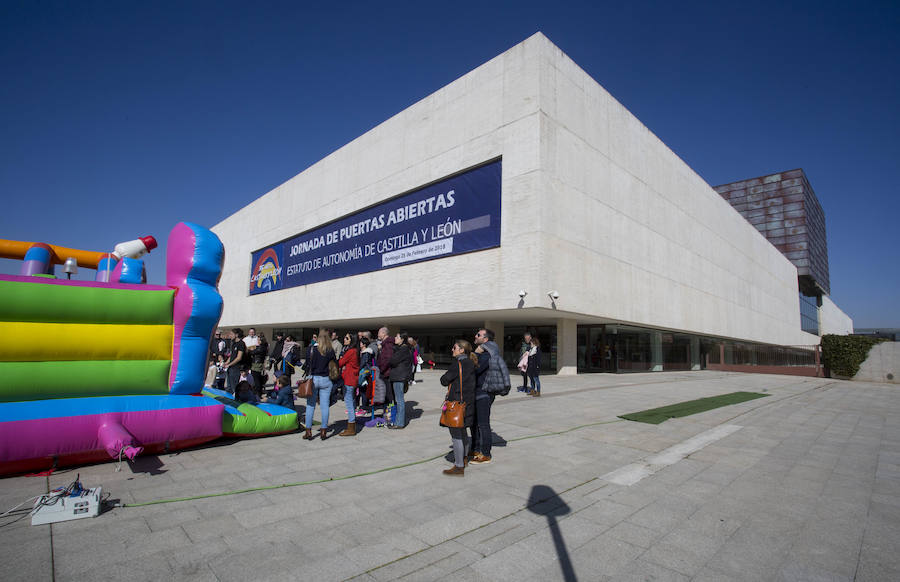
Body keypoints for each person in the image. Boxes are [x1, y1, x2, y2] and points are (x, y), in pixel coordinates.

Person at [470, 328, 511, 464]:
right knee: (474, 423)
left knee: (483, 424)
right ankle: (475, 449)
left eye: (478, 335)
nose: (475, 336)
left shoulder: (486, 355)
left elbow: (473, 369)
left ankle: (485, 453)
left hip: (484, 393)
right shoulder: (487, 353)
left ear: (485, 339)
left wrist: (475, 353)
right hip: (478, 392)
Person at [439, 339, 477, 476]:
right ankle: (464, 458)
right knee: (463, 433)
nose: (452, 350)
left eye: (454, 348)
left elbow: (444, 380)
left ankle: (459, 466)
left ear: (462, 350)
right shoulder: (471, 363)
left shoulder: (458, 364)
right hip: (468, 403)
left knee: (456, 436)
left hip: (456, 404)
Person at [302, 327, 336, 440]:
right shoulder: (330, 350)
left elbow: (307, 364)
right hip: (326, 379)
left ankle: (308, 431)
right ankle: (323, 431)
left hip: (313, 378)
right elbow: (334, 365)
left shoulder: (311, 349)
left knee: (310, 405)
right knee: (325, 406)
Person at [388, 330, 411, 429]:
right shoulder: (400, 348)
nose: (395, 339)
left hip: (399, 376)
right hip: (398, 376)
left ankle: (400, 422)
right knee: (398, 399)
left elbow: (393, 361)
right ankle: (398, 420)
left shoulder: (403, 349)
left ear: (402, 339)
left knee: (399, 399)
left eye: (397, 337)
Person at [337, 333, 360, 436]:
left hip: (349, 379)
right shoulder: (354, 351)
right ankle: (352, 425)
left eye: (347, 338)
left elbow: (341, 362)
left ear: (352, 340)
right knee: (350, 402)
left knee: (349, 403)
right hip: (351, 379)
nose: (344, 339)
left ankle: (351, 427)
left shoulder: (351, 351)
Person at [223, 328, 245, 394]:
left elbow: (239, 357)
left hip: (236, 368)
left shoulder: (241, 343)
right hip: (230, 368)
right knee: (228, 387)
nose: (230, 336)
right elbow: (232, 356)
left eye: (231, 334)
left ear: (236, 335)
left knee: (234, 387)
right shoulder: (233, 343)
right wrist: (226, 363)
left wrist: (229, 364)